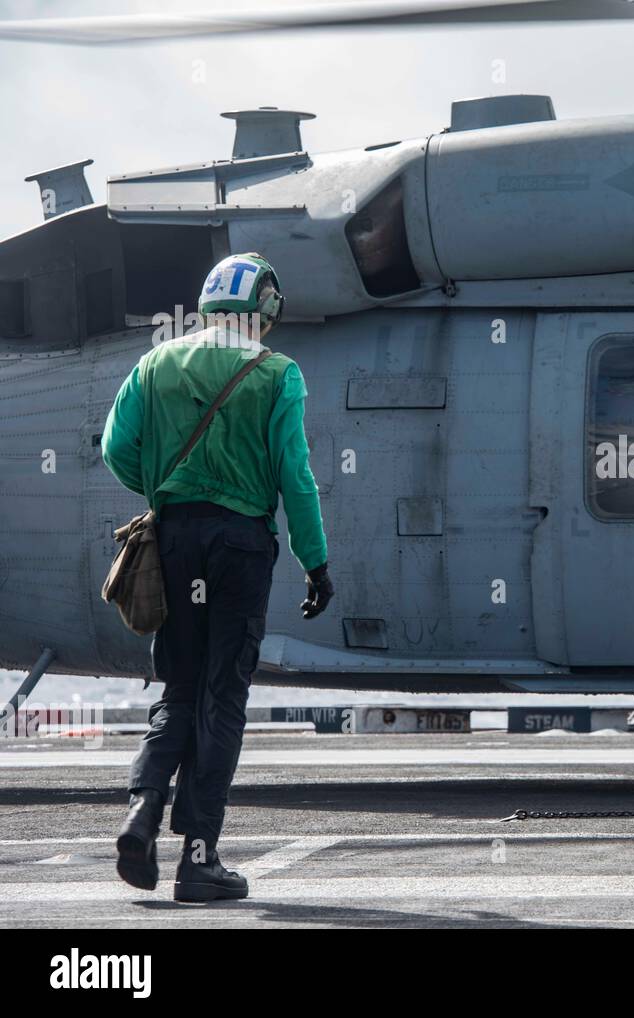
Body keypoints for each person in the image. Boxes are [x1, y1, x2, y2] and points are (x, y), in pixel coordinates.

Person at [102, 252, 334, 902]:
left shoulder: (155, 364)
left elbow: (116, 449)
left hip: (173, 537)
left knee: (177, 688)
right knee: (222, 696)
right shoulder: (278, 373)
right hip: (239, 544)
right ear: (265, 310)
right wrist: (315, 562)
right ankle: (199, 858)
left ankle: (142, 813)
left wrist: (164, 490)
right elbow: (296, 476)